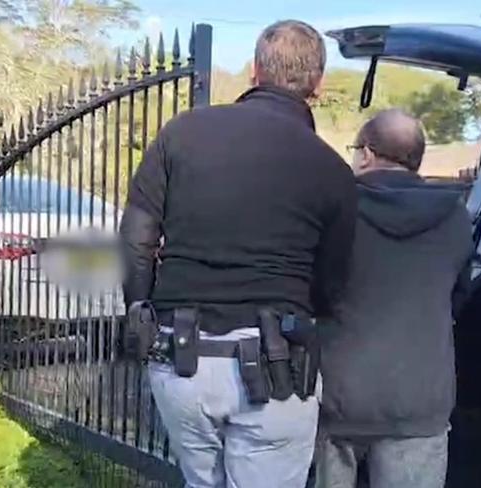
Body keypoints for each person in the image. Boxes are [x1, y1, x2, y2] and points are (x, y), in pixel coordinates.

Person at [119, 20, 356, 488]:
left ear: (254, 71)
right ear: (318, 84)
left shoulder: (182, 133)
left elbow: (136, 237)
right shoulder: (332, 169)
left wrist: (138, 307)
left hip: (180, 358)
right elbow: (333, 284)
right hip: (276, 370)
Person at [316, 109, 473, 488]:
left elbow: (314, 291)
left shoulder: (336, 209)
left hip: (340, 395)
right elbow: (458, 297)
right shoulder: (456, 216)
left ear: (366, 154)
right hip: (419, 400)